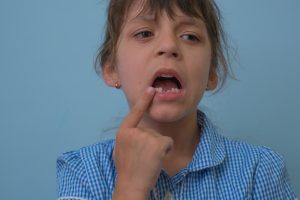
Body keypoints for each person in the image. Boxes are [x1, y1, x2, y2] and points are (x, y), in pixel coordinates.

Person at [56, 0, 297, 199]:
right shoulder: (81, 170)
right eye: (145, 33)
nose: (169, 46)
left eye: (190, 36)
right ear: (111, 69)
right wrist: (130, 187)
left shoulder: (261, 170)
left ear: (211, 73)